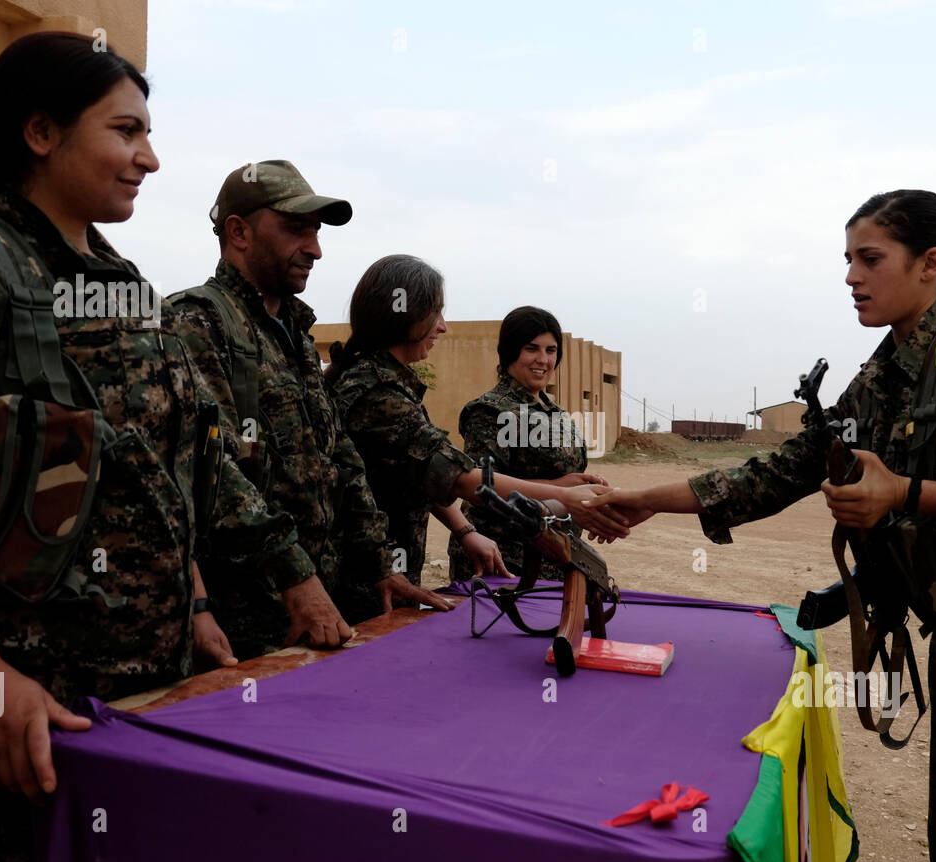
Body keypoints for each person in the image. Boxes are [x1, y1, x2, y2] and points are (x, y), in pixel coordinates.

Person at [589, 190, 936, 862]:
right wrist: (648, 499)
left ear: (931, 264)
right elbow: (784, 468)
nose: (850, 278)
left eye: (870, 259)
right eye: (848, 260)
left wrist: (901, 493)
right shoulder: (880, 380)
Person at [0, 33, 315, 862]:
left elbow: (187, 457)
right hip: (14, 713)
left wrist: (230, 594)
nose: (150, 159)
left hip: (131, 697)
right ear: (42, 133)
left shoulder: (122, 281)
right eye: (126, 132)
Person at [171, 161, 455, 658]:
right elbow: (213, 467)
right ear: (238, 232)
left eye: (317, 233)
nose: (315, 249)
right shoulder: (197, 324)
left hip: (321, 601)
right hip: (248, 612)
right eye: (295, 229)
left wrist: (382, 563)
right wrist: (295, 578)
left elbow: (339, 456)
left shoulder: (297, 338)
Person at [325, 255, 629, 621]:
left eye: (551, 350)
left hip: (393, 569)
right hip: (365, 577)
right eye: (435, 313)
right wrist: (565, 493)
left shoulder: (390, 385)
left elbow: (422, 471)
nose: (443, 327)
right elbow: (464, 478)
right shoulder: (379, 393)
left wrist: (464, 529)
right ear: (404, 315)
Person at [446, 306, 607, 583]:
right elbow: (481, 488)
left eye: (551, 350)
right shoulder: (489, 411)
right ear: (510, 351)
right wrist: (562, 488)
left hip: (554, 554)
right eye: (531, 348)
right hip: (505, 559)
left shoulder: (553, 411)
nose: (543, 360)